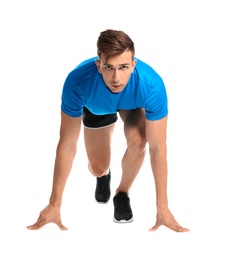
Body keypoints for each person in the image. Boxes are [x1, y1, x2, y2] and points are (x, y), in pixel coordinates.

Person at [27, 29, 189, 232]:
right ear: (98, 65)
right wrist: (54, 204)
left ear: (133, 65)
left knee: (139, 139)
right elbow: (67, 144)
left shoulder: (151, 85)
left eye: (123, 67)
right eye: (109, 67)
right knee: (97, 167)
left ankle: (122, 193)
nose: (116, 78)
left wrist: (162, 207)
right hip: (97, 107)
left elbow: (158, 148)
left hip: (132, 105)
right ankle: (103, 175)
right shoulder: (77, 83)